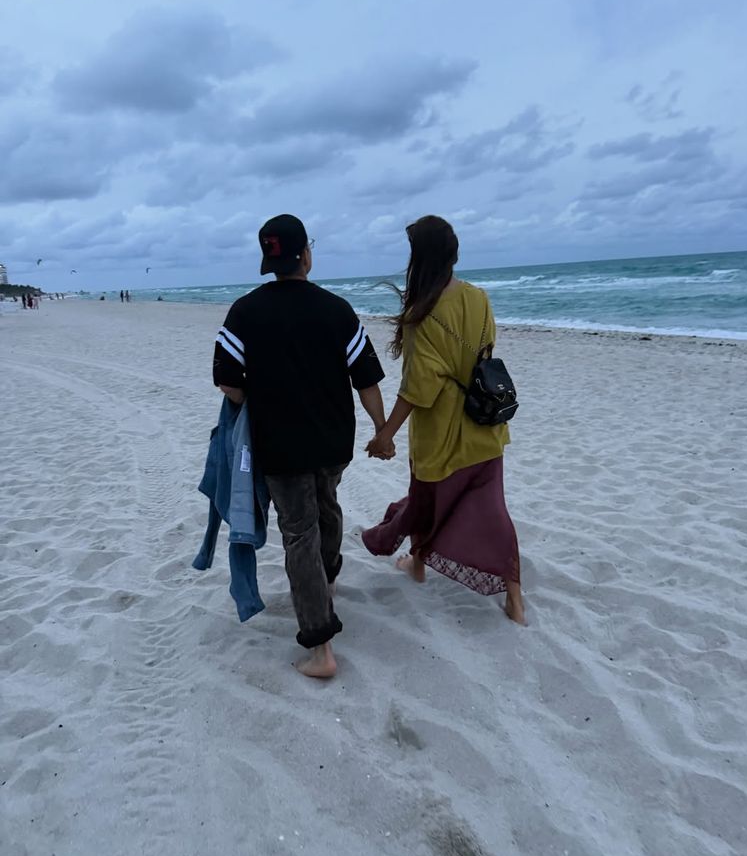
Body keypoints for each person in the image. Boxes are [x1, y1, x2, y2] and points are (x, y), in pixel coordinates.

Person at [212, 214, 389, 678]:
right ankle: (325, 585)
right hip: (333, 442)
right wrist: (382, 429)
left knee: (298, 531)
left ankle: (320, 647)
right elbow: (366, 379)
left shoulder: (244, 311)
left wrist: (262, 399)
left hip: (279, 446)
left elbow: (227, 382)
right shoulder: (336, 309)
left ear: (269, 260)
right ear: (306, 256)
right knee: (326, 507)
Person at [364, 215, 524, 624]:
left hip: (440, 431)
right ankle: (514, 597)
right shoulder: (479, 297)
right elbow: (484, 353)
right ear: (454, 255)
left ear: (419, 259)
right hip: (484, 421)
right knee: (492, 511)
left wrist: (386, 435)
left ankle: (417, 565)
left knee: (425, 499)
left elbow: (420, 387)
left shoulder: (423, 313)